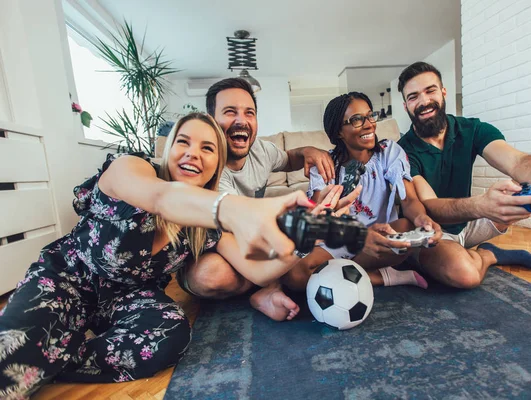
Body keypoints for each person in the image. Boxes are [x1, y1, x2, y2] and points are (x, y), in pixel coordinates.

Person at [0, 112, 314, 398]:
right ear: (169, 148)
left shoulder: (205, 226)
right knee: (7, 365)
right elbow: (162, 197)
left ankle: (51, 355)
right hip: (68, 278)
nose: (193, 152)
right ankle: (41, 350)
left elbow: (258, 271)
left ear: (217, 164)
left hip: (130, 298)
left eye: (207, 148)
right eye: (183, 142)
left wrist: (307, 235)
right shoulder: (131, 167)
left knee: (172, 334)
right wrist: (234, 209)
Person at [396, 61, 531, 288]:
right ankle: (489, 255)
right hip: (434, 233)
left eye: (430, 90)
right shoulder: (401, 151)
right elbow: (429, 206)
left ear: (443, 93)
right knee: (464, 275)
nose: (424, 101)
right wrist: (480, 205)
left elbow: (519, 161)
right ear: (406, 106)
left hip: (471, 223)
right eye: (413, 97)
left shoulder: (472, 129)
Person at [177, 78, 360, 318]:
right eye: (230, 112)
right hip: (213, 247)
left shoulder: (261, 151)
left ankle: (267, 287)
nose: (241, 120)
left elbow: (289, 158)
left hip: (250, 243)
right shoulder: (209, 170)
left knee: (288, 259)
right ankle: (269, 287)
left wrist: (308, 151)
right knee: (210, 274)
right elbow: (248, 224)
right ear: (211, 121)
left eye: (249, 112)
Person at [282, 92, 443, 293]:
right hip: (339, 239)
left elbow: (409, 199)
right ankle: (378, 276)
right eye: (357, 120)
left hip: (381, 235)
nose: (369, 125)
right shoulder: (324, 165)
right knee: (294, 276)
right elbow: (317, 222)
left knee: (407, 227)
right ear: (339, 131)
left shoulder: (388, 152)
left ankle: (341, 275)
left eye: (369, 116)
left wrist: (422, 218)